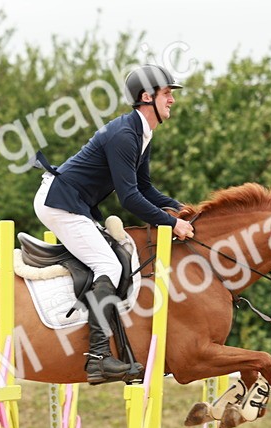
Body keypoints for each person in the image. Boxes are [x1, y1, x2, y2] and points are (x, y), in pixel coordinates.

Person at [34, 64, 195, 384]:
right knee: (109, 264)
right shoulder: (124, 135)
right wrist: (171, 225)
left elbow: (145, 187)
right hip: (59, 204)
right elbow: (130, 198)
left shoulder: (141, 133)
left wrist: (180, 209)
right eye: (166, 94)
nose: (172, 100)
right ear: (146, 97)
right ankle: (97, 357)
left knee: (115, 259)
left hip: (72, 204)